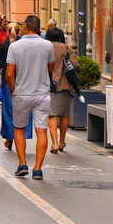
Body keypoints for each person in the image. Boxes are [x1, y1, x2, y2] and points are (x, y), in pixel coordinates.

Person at [6, 15, 55, 179]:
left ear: (25, 27)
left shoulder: (15, 46)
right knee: (41, 130)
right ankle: (38, 168)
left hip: (22, 93)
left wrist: (13, 90)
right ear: (39, 28)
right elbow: (51, 67)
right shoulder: (47, 45)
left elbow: (9, 73)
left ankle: (22, 164)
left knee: (19, 128)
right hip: (42, 93)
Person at [0, 22, 32, 152]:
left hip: (8, 82)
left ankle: (9, 137)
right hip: (24, 82)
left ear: (7, 32)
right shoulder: (24, 47)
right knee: (23, 110)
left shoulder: (3, 46)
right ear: (19, 32)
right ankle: (22, 135)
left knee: (8, 111)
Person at [45, 26, 73, 154]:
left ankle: (54, 143)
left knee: (52, 114)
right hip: (65, 85)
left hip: (50, 84)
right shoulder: (66, 48)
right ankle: (62, 141)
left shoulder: (46, 48)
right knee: (64, 114)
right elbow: (75, 64)